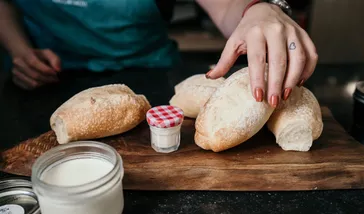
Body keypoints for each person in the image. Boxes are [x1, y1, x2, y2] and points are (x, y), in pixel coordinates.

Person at [0, 0, 317, 108]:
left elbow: (227, 6)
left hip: (151, 79)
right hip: (43, 80)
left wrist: (257, 10)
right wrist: (19, 50)